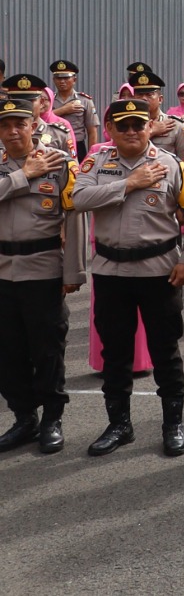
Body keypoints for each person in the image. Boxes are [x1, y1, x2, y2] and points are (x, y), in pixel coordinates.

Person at [74, 98, 184, 458]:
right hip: (111, 271)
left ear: (150, 127)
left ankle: (172, 424)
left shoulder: (171, 164)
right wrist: (129, 184)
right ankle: (119, 425)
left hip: (159, 271)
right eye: (123, 125)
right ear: (110, 129)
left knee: (166, 351)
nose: (131, 131)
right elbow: (78, 198)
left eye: (138, 124)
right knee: (115, 352)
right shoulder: (96, 161)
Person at [0, 94, 85, 455]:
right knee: (7, 352)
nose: (13, 131)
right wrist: (23, 176)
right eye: (5, 125)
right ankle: (24, 417)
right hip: (3, 272)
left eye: (20, 123)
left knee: (47, 349)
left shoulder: (59, 163)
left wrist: (74, 271)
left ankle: (52, 417)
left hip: (44, 268)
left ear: (35, 125)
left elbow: (75, 218)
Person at [132, 72, 184, 163]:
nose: (144, 98)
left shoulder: (175, 125)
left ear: (160, 99)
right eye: (139, 95)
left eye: (149, 94)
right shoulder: (125, 126)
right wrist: (151, 131)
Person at [46, 60, 98, 159]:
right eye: (58, 78)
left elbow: (92, 131)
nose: (62, 81)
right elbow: (42, 119)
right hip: (53, 146)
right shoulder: (48, 100)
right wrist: (63, 110)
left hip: (77, 146)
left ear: (74, 80)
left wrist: (91, 156)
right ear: (53, 79)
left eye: (66, 78)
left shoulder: (85, 100)